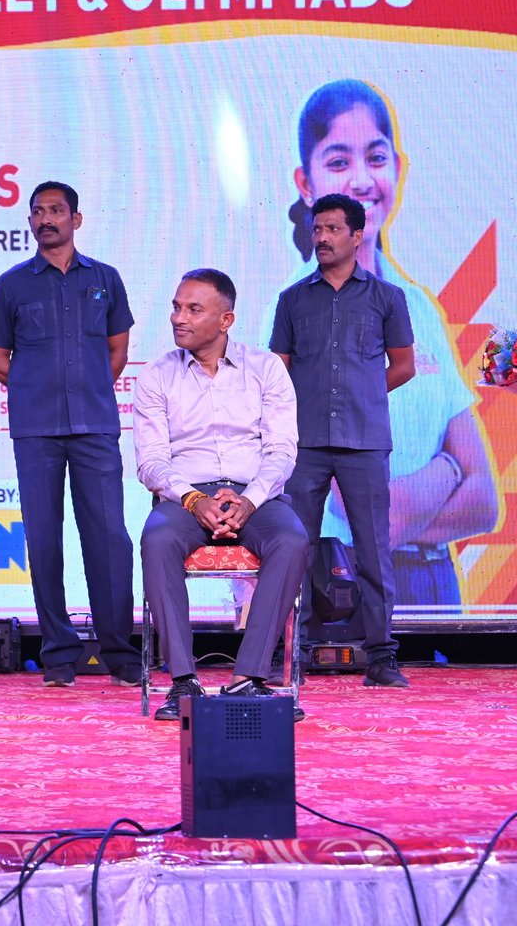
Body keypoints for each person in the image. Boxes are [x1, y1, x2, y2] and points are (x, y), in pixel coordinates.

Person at [276, 79, 498, 607]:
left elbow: (485, 501)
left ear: (397, 168)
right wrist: (447, 472)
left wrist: (406, 512)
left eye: (376, 157)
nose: (361, 179)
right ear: (305, 182)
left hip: (436, 582)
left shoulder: (417, 305)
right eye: (338, 161)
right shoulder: (292, 308)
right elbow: (370, 514)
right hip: (344, 577)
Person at [0, 180, 139, 688]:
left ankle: (119, 651)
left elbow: (117, 351)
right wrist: (37, 388)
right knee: (44, 539)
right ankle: (58, 653)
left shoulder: (105, 279)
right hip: (36, 431)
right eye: (37, 212)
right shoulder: (11, 285)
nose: (46, 219)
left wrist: (86, 388)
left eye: (55, 210)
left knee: (108, 538)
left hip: (95, 426)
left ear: (76, 219)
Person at [135, 269, 308, 722]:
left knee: (292, 539)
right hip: (185, 498)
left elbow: (282, 449)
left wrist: (250, 500)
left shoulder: (265, 368)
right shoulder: (156, 375)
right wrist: (195, 500)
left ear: (225, 320)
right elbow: (150, 461)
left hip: (256, 495)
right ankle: (182, 681)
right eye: (176, 307)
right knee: (157, 539)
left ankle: (249, 678)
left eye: (194, 309)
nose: (179, 318)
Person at [270, 193, 415, 689]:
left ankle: (381, 655)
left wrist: (364, 393)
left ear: (357, 235)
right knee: (295, 546)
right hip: (305, 441)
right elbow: (279, 371)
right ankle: (292, 651)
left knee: (372, 547)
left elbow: (403, 366)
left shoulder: (386, 298)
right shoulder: (292, 299)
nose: (322, 238)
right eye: (317, 229)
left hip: (364, 439)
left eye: (333, 229)